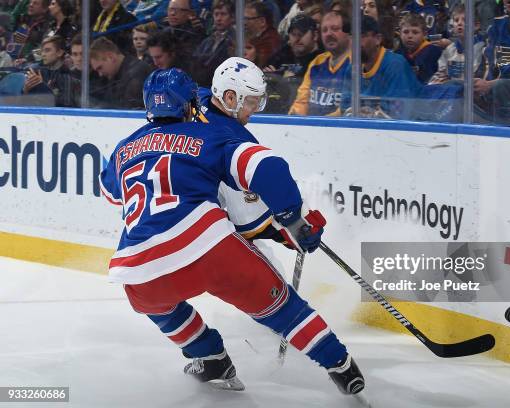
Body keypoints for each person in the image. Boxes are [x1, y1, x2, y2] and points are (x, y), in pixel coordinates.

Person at [98, 60, 365, 395]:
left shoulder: (123, 149)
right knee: (280, 306)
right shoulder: (210, 135)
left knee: (157, 305)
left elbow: (109, 190)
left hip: (139, 266)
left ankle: (209, 356)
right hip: (209, 245)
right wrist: (293, 221)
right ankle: (340, 365)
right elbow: (267, 170)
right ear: (193, 104)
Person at [341, 15, 422, 119]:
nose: (355, 41)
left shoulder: (395, 65)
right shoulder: (352, 69)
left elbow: (398, 115)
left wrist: (360, 114)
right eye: (352, 36)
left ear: (378, 39)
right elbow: (345, 109)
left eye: (362, 35)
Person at [288, 9, 351, 116]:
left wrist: (317, 124)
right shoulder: (316, 63)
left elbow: (347, 110)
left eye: (335, 29)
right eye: (324, 30)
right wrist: (294, 118)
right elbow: (301, 102)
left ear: (349, 33)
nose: (329, 34)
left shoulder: (357, 64)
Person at [89, 36, 153, 108]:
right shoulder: (115, 75)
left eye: (100, 68)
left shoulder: (136, 74)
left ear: (110, 57)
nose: (100, 74)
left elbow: (129, 111)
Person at [429, 4, 485, 84]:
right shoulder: (449, 49)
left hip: (472, 92)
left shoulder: (482, 48)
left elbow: (478, 78)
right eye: (456, 20)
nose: (459, 23)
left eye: (465, 20)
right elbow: (441, 74)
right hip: (451, 92)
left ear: (476, 25)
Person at [397, 13, 443, 84]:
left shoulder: (432, 51)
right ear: (400, 33)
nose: (410, 36)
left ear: (424, 34)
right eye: (406, 32)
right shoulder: (398, 53)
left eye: (415, 32)